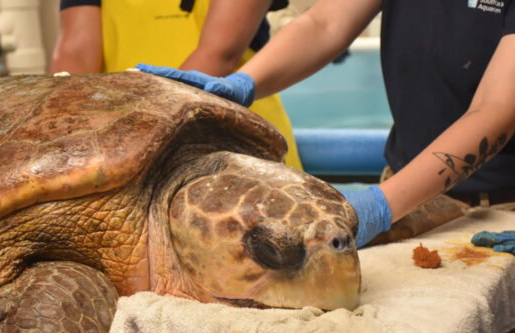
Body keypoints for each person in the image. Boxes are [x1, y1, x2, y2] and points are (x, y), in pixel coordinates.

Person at [137, 0, 515, 250]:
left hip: (500, 210)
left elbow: (497, 108)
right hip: (406, 193)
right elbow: (325, 22)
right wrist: (243, 83)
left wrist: (378, 207)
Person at [49, 0, 304, 171]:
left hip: (233, 141)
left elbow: (220, 53)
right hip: (119, 143)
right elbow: (76, 51)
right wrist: (59, 130)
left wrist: (134, 143)